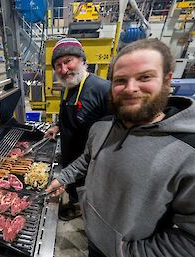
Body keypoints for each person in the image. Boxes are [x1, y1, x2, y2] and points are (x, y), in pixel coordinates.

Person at [46, 38, 195, 257]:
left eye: (145, 77)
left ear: (167, 80)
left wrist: (127, 251)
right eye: (121, 80)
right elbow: (89, 157)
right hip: (94, 238)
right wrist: (64, 177)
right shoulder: (103, 127)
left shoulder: (188, 151)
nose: (131, 88)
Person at [44, 37, 110, 221]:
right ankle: (74, 201)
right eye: (58, 65)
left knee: (86, 192)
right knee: (73, 187)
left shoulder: (103, 90)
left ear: (82, 60)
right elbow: (66, 113)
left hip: (88, 161)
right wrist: (57, 126)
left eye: (68, 61)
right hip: (70, 153)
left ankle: (81, 209)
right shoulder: (70, 86)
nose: (63, 70)